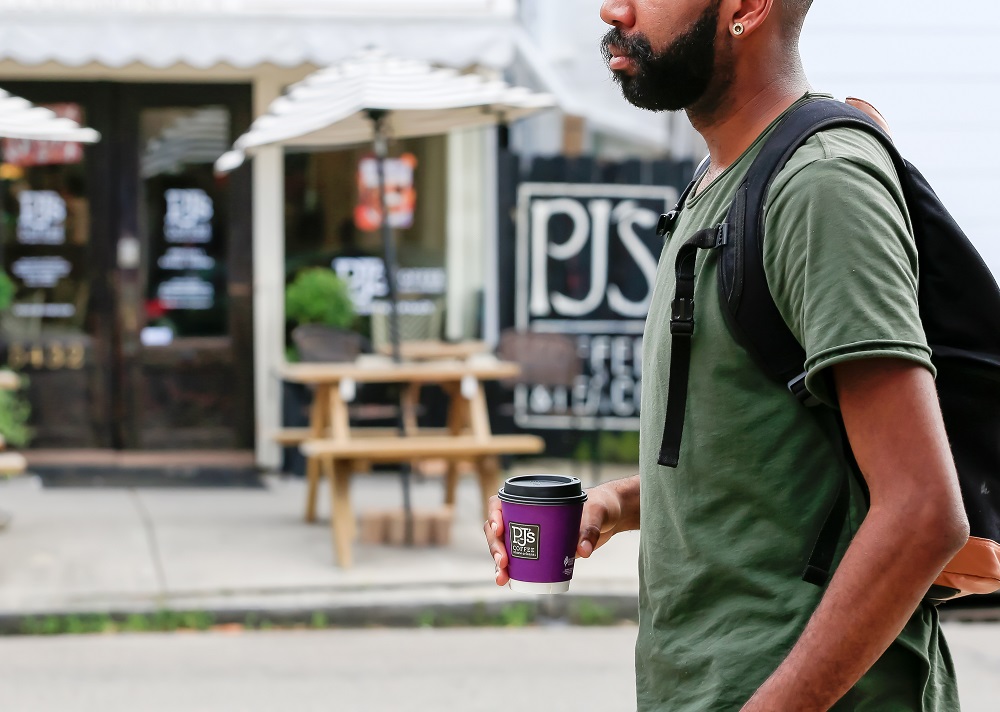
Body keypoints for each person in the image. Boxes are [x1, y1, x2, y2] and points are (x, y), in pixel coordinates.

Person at [484, 1, 970, 709]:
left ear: (745, 8)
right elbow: (764, 467)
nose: (612, 9)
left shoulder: (821, 185)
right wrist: (616, 504)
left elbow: (924, 510)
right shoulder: (722, 180)